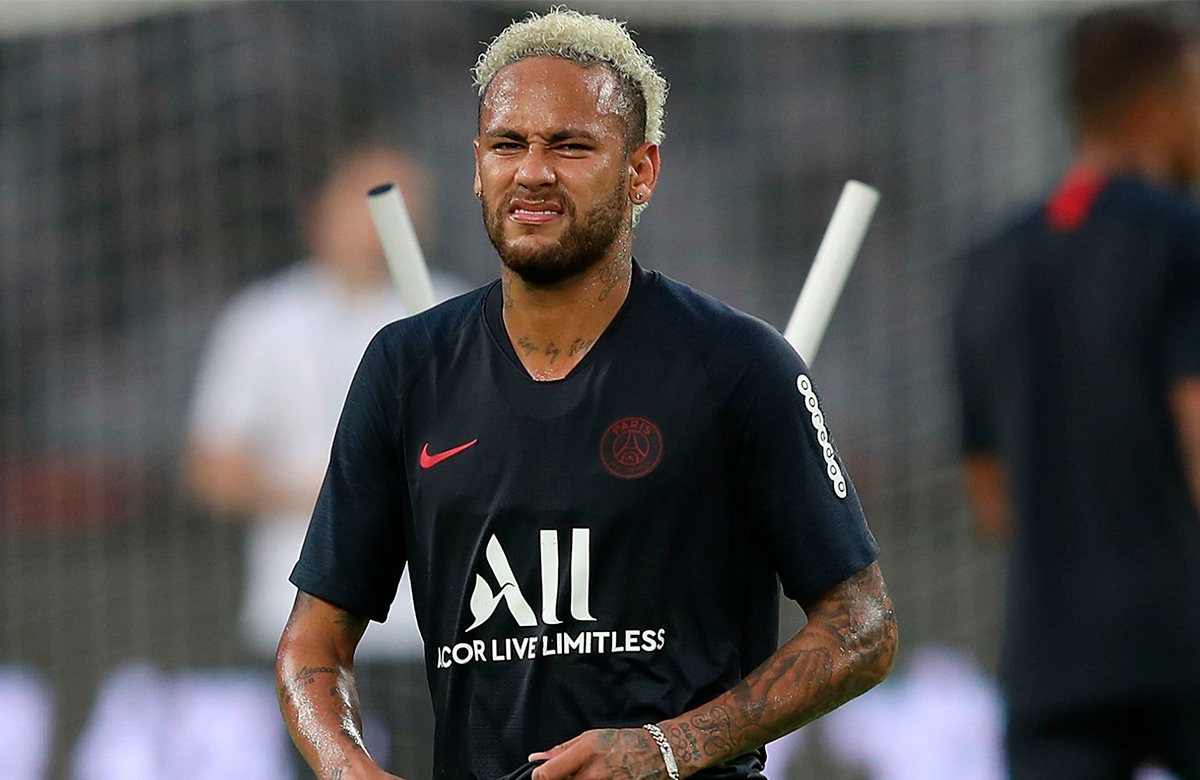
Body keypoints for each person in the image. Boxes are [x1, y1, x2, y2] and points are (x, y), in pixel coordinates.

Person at [276, 9, 898, 780]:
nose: (533, 171)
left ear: (642, 171)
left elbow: (862, 627)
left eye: (570, 146)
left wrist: (668, 748)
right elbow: (313, 642)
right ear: (477, 165)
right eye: (508, 144)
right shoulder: (406, 368)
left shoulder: (739, 365)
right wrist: (348, 769)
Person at [954, 8, 1200, 778]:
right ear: (1157, 104)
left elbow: (989, 496)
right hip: (1183, 637)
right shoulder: (1181, 239)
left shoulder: (989, 264)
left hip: (1049, 659)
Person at [187, 144, 464, 778]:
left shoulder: (456, 316)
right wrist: (343, 493)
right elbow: (211, 470)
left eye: (407, 203)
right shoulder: (264, 321)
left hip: (434, 624)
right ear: (321, 211)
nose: (386, 221)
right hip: (303, 620)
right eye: (372, 200)